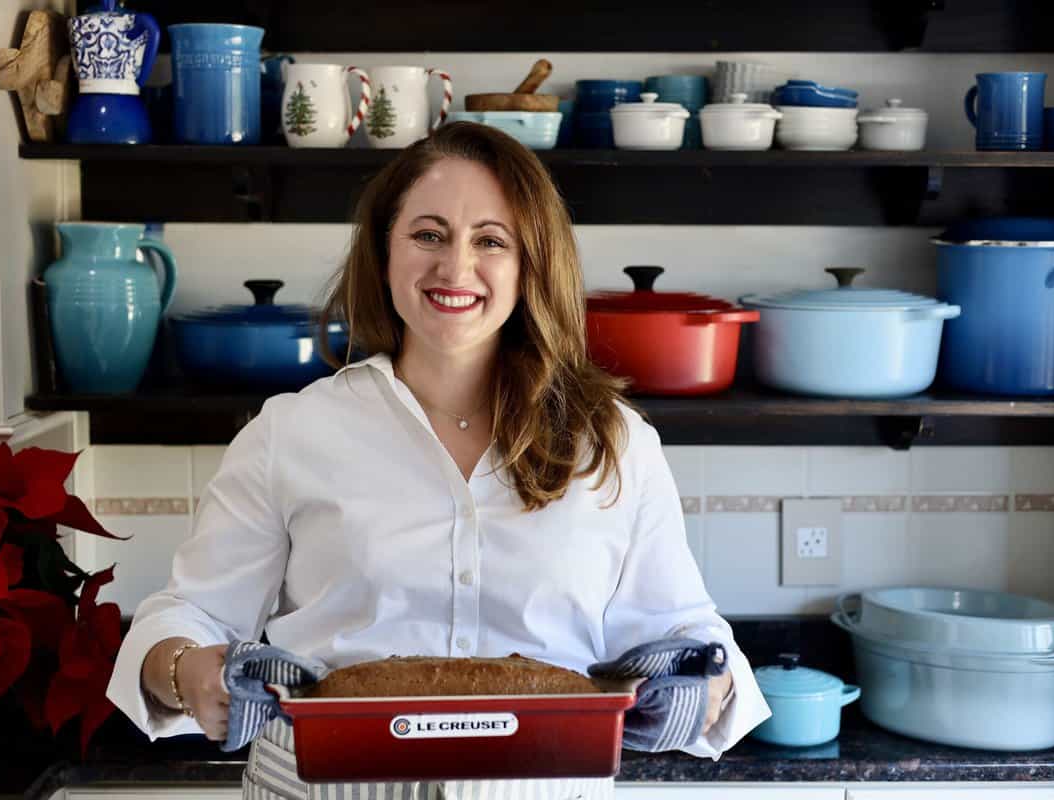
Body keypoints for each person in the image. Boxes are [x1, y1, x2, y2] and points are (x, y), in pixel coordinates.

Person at [107, 121, 770, 799]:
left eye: (491, 240)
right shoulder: (292, 431)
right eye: (428, 235)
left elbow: (686, 630)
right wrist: (185, 668)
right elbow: (189, 614)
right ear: (385, 251)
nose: (455, 268)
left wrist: (704, 680)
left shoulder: (612, 442)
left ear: (530, 262)